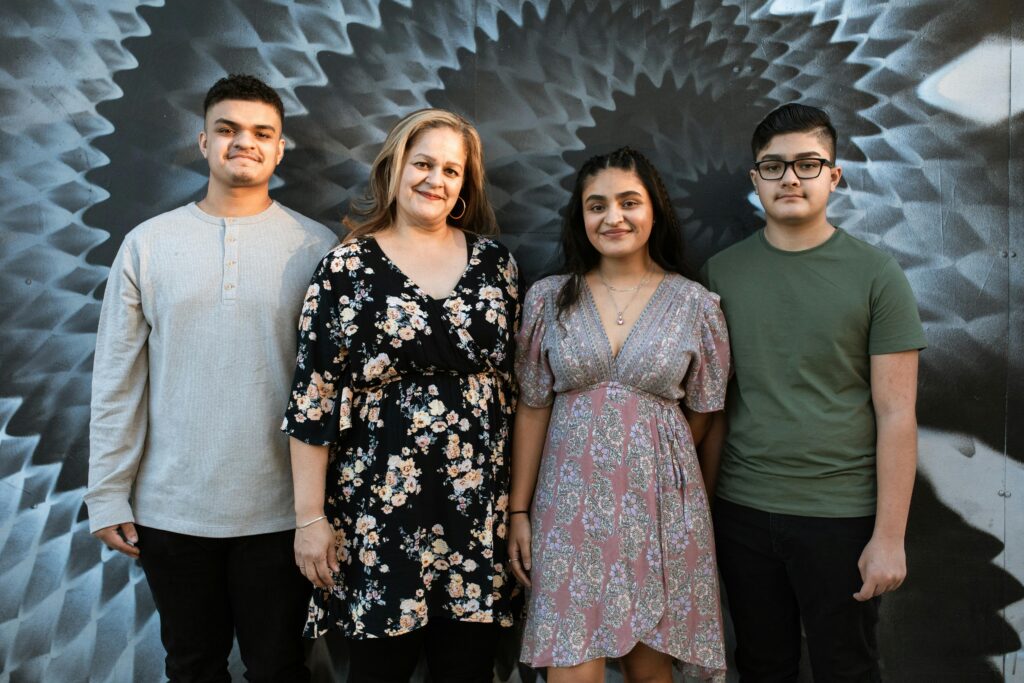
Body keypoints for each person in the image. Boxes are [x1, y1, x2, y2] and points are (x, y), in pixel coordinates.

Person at [86, 74, 338, 681]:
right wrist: (107, 492)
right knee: (192, 665)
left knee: (279, 668)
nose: (242, 143)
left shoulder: (318, 247)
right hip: (173, 511)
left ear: (280, 149)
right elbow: (118, 380)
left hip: (282, 514)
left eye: (261, 133)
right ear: (203, 142)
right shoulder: (148, 245)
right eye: (226, 129)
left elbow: (335, 390)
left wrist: (326, 508)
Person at [282, 108, 519, 683]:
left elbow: (517, 390)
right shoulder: (346, 266)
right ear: (394, 168)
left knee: (466, 671)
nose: (435, 180)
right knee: (378, 672)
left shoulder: (496, 265)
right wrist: (310, 519)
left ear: (465, 186)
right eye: (423, 164)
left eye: (451, 170)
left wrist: (517, 508)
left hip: (474, 515)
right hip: (377, 514)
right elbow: (314, 397)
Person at [702, 103, 927, 681]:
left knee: (846, 666)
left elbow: (898, 414)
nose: (791, 178)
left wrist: (889, 538)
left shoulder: (877, 274)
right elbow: (713, 404)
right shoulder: (721, 274)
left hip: (841, 516)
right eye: (773, 166)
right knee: (760, 664)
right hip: (742, 511)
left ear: (834, 174)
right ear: (755, 179)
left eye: (807, 163)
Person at [509, 147, 730, 683]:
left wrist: (658, 461)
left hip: (659, 511)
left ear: (654, 210)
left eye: (629, 202)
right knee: (570, 669)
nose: (613, 217)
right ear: (580, 217)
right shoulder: (548, 299)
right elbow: (533, 407)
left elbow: (704, 413)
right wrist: (518, 512)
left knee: (650, 668)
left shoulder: (696, 305)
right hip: (568, 509)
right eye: (596, 205)